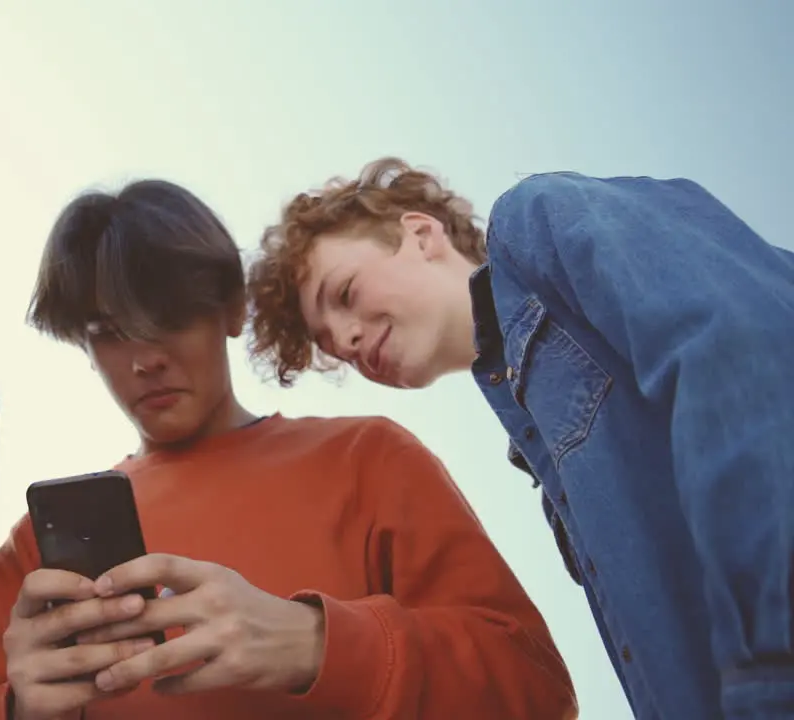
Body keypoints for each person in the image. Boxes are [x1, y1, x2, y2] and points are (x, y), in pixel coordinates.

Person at [0, 180, 577, 719]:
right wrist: (18, 711)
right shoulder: (34, 550)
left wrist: (317, 643)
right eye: (109, 332)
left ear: (234, 309)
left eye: (170, 316)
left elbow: (535, 689)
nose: (145, 359)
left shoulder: (368, 459)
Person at [244, 158, 794, 720]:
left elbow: (751, 364)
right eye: (330, 345)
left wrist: (772, 676)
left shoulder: (538, 221)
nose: (347, 337)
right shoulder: (532, 438)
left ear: (421, 234)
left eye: (345, 294)